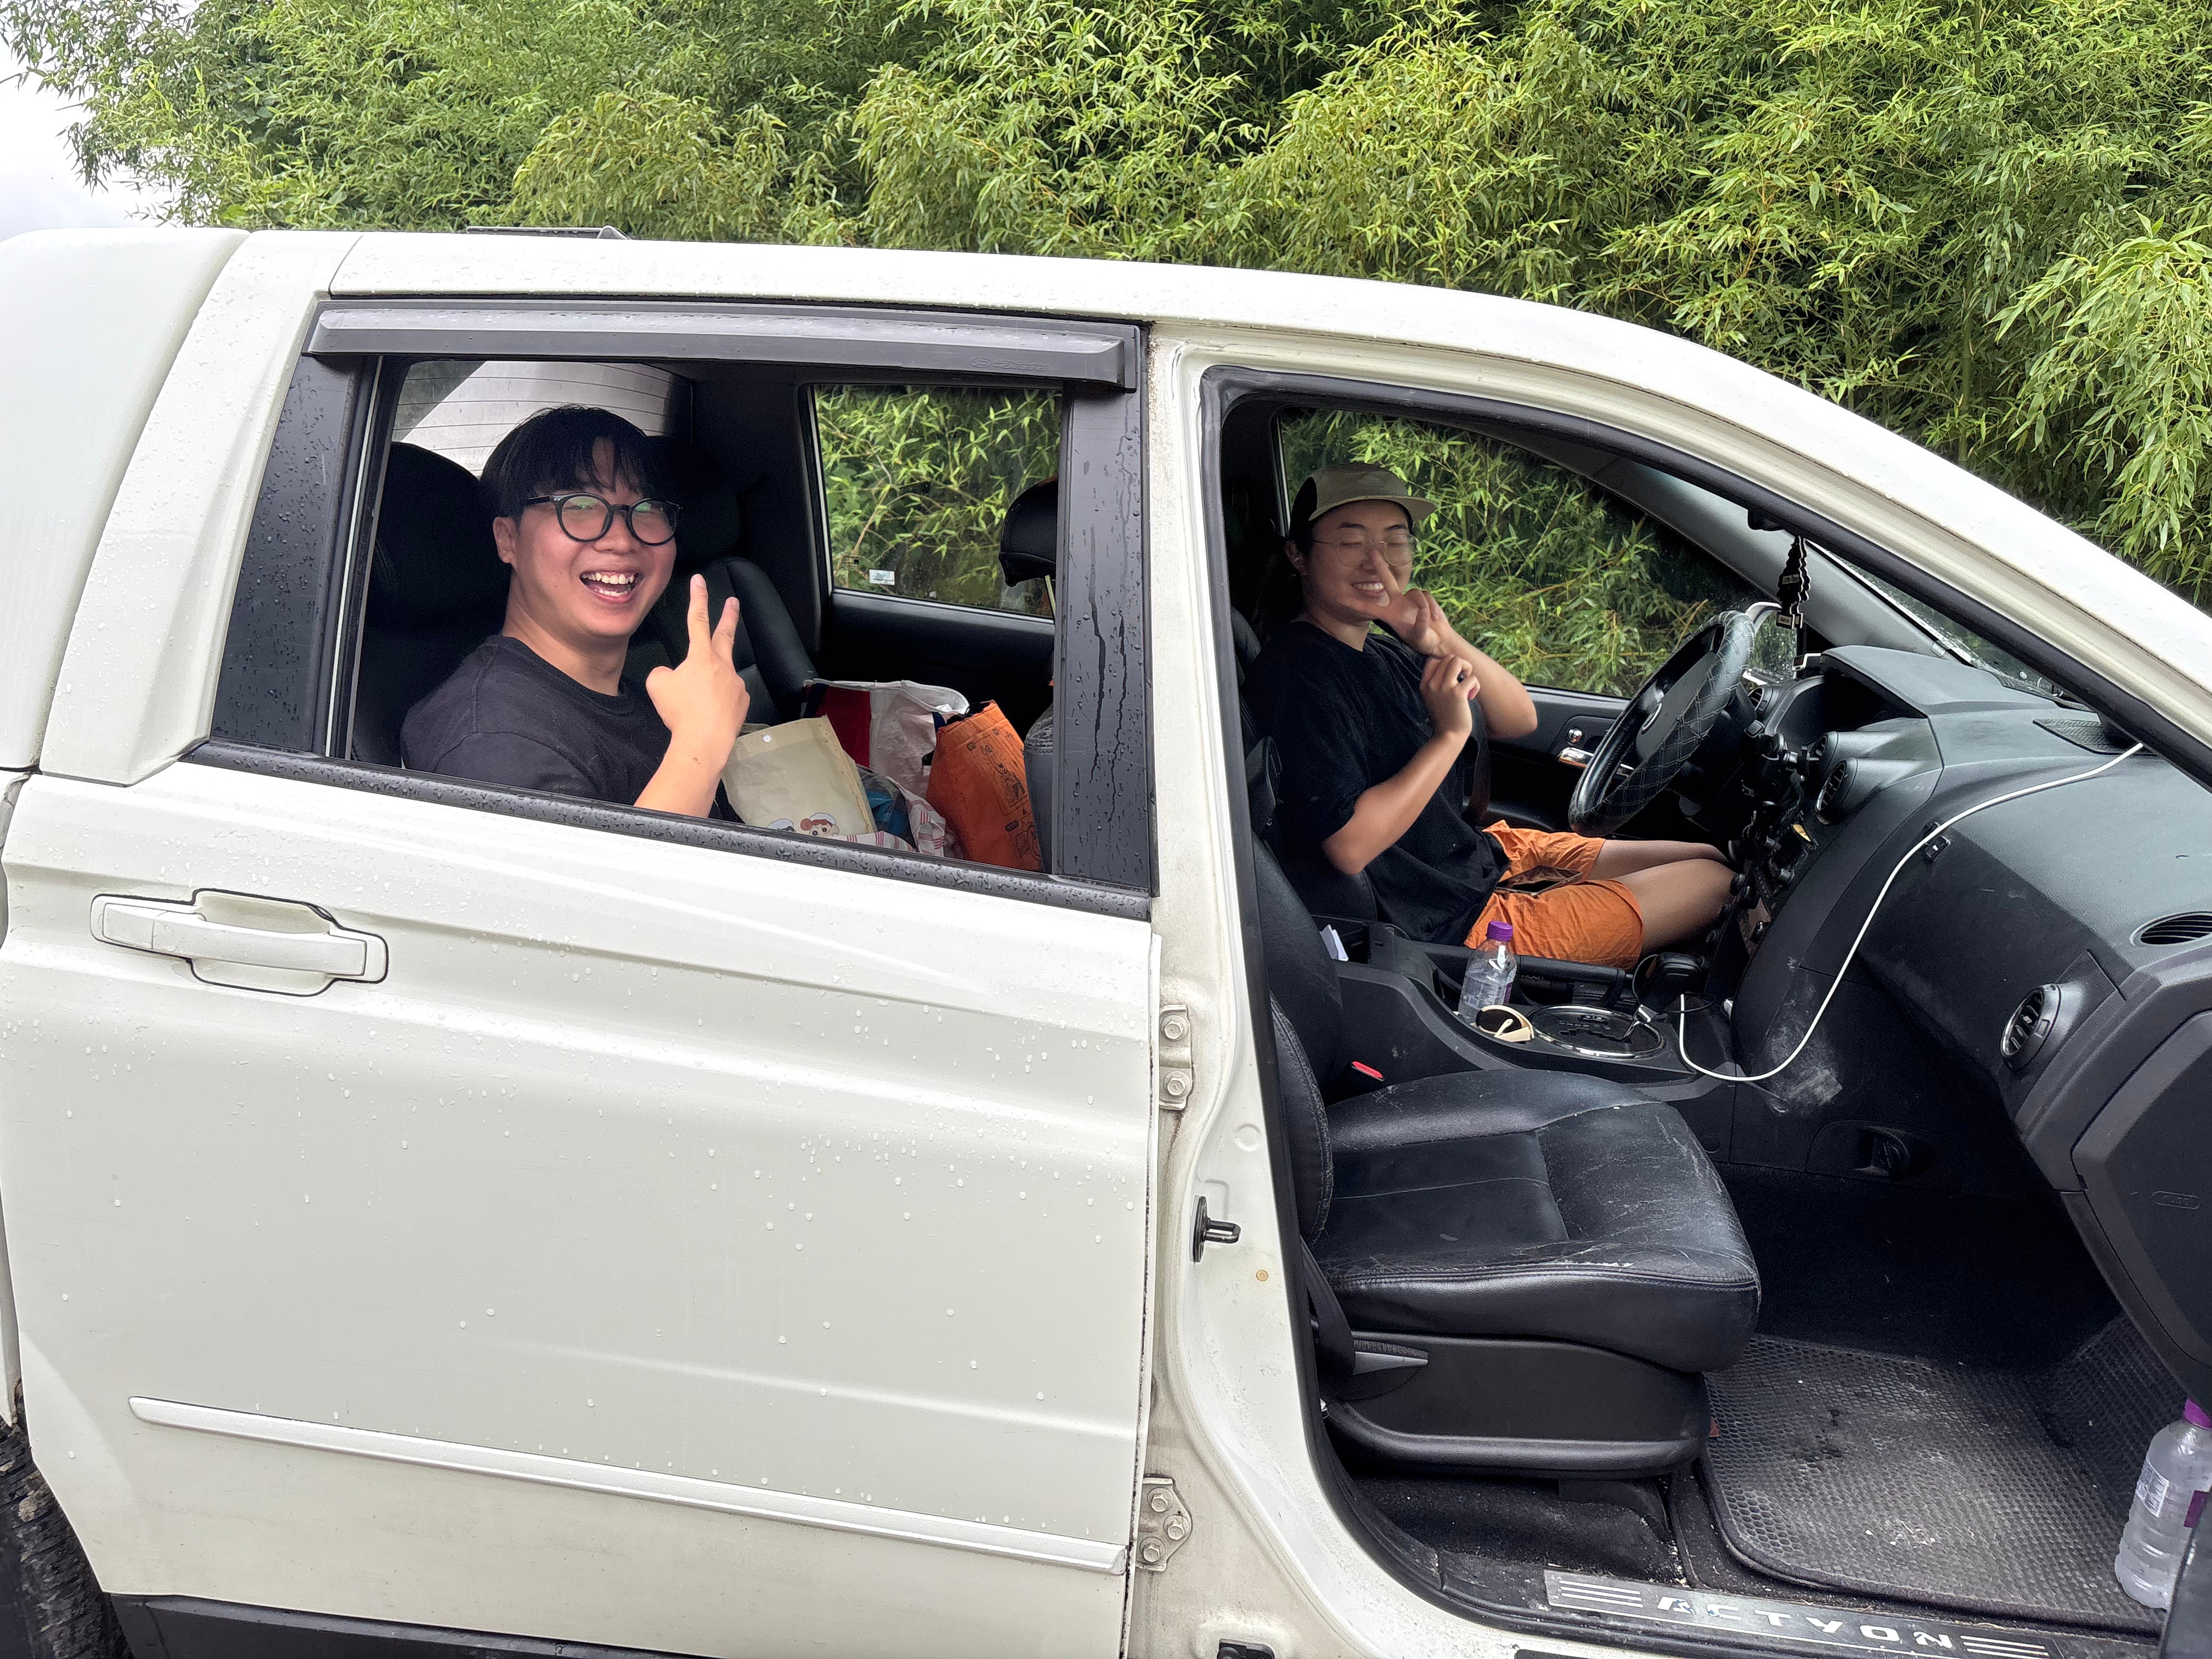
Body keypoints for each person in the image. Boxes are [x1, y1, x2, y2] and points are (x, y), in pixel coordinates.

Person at [1245, 464, 1730, 969]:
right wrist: (1449, 735)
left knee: (1708, 857)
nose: (1378, 561)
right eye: (1351, 543)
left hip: (1473, 860)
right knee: (1716, 885)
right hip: (1453, 923)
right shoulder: (1300, 675)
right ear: (1298, 556)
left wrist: (1440, 640)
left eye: (1395, 541)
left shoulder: (1380, 651)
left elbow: (1517, 718)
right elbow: (1349, 847)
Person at [402, 405, 749, 816]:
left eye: (646, 508)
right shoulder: (492, 740)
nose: (622, 541)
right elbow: (603, 865)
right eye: (580, 505)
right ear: (508, 539)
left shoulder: (634, 695)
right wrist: (699, 746)